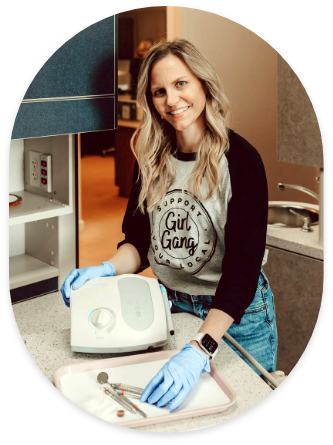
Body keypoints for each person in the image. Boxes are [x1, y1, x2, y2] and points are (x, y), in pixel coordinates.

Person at [61, 38, 278, 412]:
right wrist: (106, 269)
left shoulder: (242, 162)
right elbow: (139, 240)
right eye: (159, 91)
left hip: (238, 317)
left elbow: (242, 271)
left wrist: (201, 348)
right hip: (172, 307)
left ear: (202, 84)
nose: (171, 100)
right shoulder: (151, 159)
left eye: (181, 84)